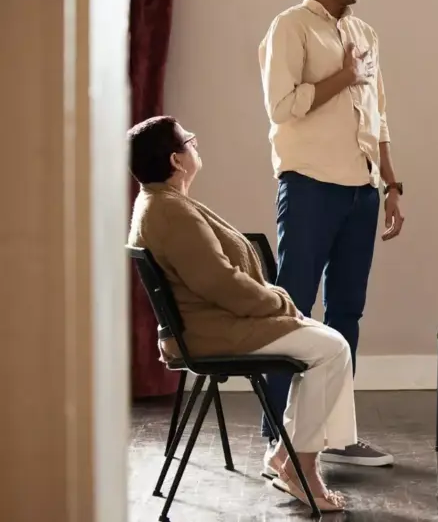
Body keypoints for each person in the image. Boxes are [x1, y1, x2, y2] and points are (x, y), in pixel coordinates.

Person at [126, 116, 354, 513]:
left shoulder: (162, 201)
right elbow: (221, 284)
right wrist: (281, 303)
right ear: (176, 160)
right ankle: (299, 465)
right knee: (331, 349)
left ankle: (287, 455)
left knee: (328, 344)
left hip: (209, 324)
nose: (197, 146)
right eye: (189, 141)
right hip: (209, 332)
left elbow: (217, 279)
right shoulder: (169, 211)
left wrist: (277, 303)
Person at [257, 0, 401, 467]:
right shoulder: (288, 28)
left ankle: (337, 435)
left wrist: (392, 185)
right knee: (291, 308)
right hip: (310, 184)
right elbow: (282, 106)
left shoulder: (366, 32)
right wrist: (343, 76)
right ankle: (277, 437)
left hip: (362, 190)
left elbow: (379, 114)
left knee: (347, 312)